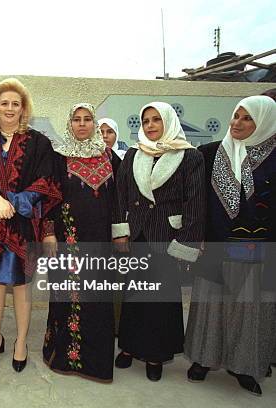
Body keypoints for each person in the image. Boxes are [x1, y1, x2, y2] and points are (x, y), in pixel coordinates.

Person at [185, 95, 276, 396]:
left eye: (247, 118)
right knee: (210, 305)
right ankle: (203, 360)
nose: (237, 123)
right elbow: (197, 201)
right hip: (215, 243)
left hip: (258, 248)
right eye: (236, 115)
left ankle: (243, 365)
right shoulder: (210, 153)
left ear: (263, 122)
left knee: (249, 310)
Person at [0, 78, 60, 372]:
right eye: (4, 103)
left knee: (21, 285)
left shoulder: (39, 143)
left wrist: (15, 203)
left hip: (25, 226)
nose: (10, 108)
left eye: (15, 104)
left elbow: (46, 184)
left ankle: (21, 341)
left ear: (24, 109)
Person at [113, 102, 205, 381]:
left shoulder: (190, 157)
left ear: (168, 121)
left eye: (156, 120)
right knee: (134, 296)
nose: (150, 125)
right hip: (138, 235)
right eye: (146, 121)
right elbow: (121, 195)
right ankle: (129, 347)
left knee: (160, 302)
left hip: (167, 237)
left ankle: (156, 355)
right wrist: (121, 231)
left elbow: (195, 203)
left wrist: (185, 244)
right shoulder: (132, 155)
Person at [42, 103, 120, 382]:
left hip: (101, 243)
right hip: (68, 241)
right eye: (77, 119)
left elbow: (120, 199)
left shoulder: (109, 157)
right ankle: (64, 358)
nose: (83, 124)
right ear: (70, 123)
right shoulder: (58, 157)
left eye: (88, 119)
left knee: (97, 302)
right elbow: (48, 198)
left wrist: (120, 234)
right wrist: (48, 231)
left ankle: (95, 364)